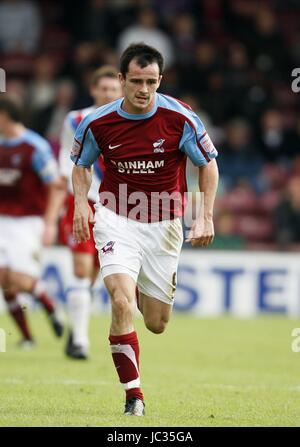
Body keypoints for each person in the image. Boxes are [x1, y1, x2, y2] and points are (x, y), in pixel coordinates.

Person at [71, 43, 219, 416]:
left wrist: (205, 215)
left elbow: (208, 165)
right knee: (120, 302)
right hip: (115, 218)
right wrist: (79, 205)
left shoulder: (181, 118)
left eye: (151, 81)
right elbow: (81, 166)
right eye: (135, 81)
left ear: (160, 80)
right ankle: (133, 396)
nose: (143, 89)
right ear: (121, 79)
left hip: (164, 223)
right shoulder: (97, 122)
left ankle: (137, 282)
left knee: (156, 323)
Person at [55, 66, 122, 359]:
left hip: (116, 206)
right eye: (103, 89)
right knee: (81, 270)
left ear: (120, 91)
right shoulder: (75, 119)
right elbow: (65, 161)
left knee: (96, 275)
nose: (108, 93)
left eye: (113, 89)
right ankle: (81, 340)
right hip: (82, 200)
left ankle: (76, 325)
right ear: (93, 89)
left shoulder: (128, 119)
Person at [0, 98, 63, 347]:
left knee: (17, 279)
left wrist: (50, 223)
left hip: (28, 221)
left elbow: (56, 187)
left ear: (5, 115)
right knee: (3, 279)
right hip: (2, 219)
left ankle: (50, 306)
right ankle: (27, 337)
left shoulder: (34, 146)